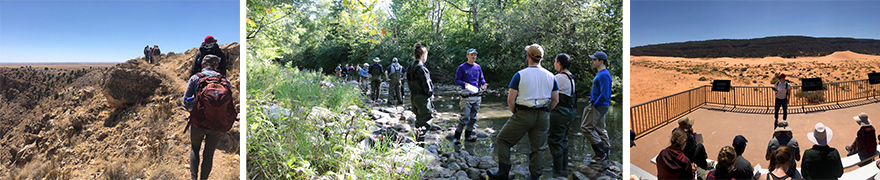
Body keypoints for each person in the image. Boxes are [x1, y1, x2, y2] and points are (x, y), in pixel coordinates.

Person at [488, 44, 558, 180]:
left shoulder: (519, 75)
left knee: (503, 140)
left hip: (523, 113)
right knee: (538, 148)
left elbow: (510, 100)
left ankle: (503, 173)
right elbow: (555, 100)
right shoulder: (551, 76)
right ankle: (535, 177)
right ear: (541, 59)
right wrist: (546, 111)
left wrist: (516, 113)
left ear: (528, 57)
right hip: (543, 115)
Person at [182, 55, 234, 180]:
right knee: (209, 154)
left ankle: (194, 178)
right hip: (219, 124)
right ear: (217, 65)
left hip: (198, 122)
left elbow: (185, 101)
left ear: (203, 64)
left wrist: (194, 110)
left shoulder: (195, 78)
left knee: (195, 149)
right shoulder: (225, 80)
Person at [450, 49, 487, 148]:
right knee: (464, 117)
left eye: (475, 55)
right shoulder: (462, 67)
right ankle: (456, 137)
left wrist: (483, 84)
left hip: (476, 94)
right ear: (467, 56)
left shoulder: (478, 67)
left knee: (473, 118)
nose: (474, 57)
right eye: (472, 55)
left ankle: (468, 136)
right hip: (466, 94)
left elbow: (481, 79)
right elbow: (457, 80)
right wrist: (464, 84)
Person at [547, 53, 576, 177]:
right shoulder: (572, 77)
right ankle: (563, 168)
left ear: (559, 63)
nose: (554, 63)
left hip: (560, 114)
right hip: (571, 113)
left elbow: (553, 98)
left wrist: (548, 110)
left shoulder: (558, 77)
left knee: (555, 140)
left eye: (555, 61)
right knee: (563, 139)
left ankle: (557, 170)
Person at [406, 43, 437, 142]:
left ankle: (416, 141)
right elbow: (426, 86)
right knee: (426, 121)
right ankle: (420, 144)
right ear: (424, 55)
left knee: (419, 120)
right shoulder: (422, 69)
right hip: (422, 98)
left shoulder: (409, 68)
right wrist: (430, 94)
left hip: (414, 97)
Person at [586, 51, 612, 161]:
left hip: (599, 105)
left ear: (601, 61)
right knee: (600, 128)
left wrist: (595, 105)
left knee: (586, 127)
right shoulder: (600, 73)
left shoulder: (604, 75)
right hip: (600, 105)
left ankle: (600, 152)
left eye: (594, 60)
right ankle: (606, 152)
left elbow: (605, 94)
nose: (592, 61)